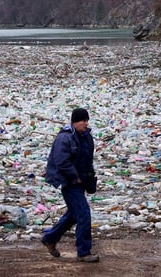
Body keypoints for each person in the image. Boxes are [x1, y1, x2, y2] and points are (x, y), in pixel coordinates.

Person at [41, 107, 99, 262]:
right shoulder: (65, 138)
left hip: (81, 181)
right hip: (70, 182)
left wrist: (90, 178)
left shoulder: (86, 137)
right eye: (83, 121)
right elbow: (61, 162)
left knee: (73, 215)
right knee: (84, 214)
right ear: (74, 122)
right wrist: (75, 177)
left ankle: (50, 238)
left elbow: (88, 160)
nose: (86, 124)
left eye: (87, 120)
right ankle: (84, 252)